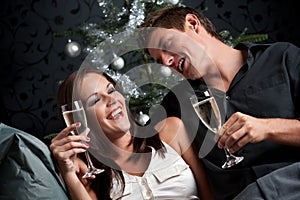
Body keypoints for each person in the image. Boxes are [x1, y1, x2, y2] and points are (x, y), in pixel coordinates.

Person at [138, 5, 300, 200]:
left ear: (192, 24)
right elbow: (132, 149)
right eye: (159, 60)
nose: (166, 61)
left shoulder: (281, 58)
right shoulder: (177, 103)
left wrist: (267, 128)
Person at [50, 68, 214, 199]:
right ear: (79, 117)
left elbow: (208, 194)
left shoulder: (171, 130)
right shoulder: (85, 169)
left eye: (111, 90)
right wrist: (69, 174)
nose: (111, 99)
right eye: (95, 100)